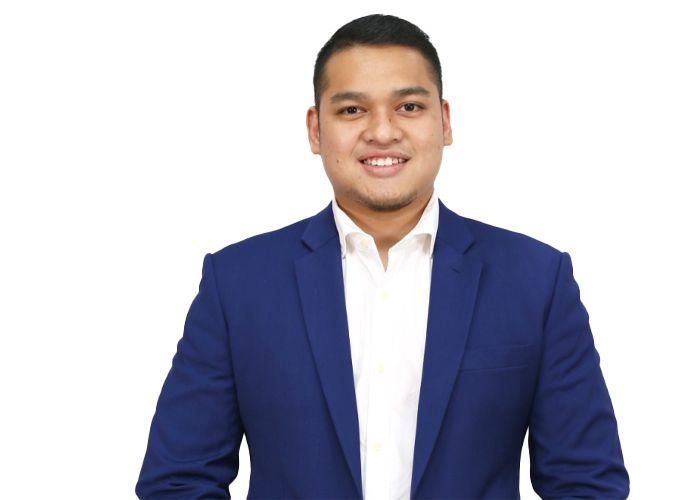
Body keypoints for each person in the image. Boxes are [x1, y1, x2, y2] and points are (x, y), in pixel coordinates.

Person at [135, 14, 629, 499]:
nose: (383, 131)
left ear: (445, 121)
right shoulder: (238, 284)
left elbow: (587, 485)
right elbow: (177, 482)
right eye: (352, 110)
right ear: (315, 130)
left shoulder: (535, 280)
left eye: (409, 106)